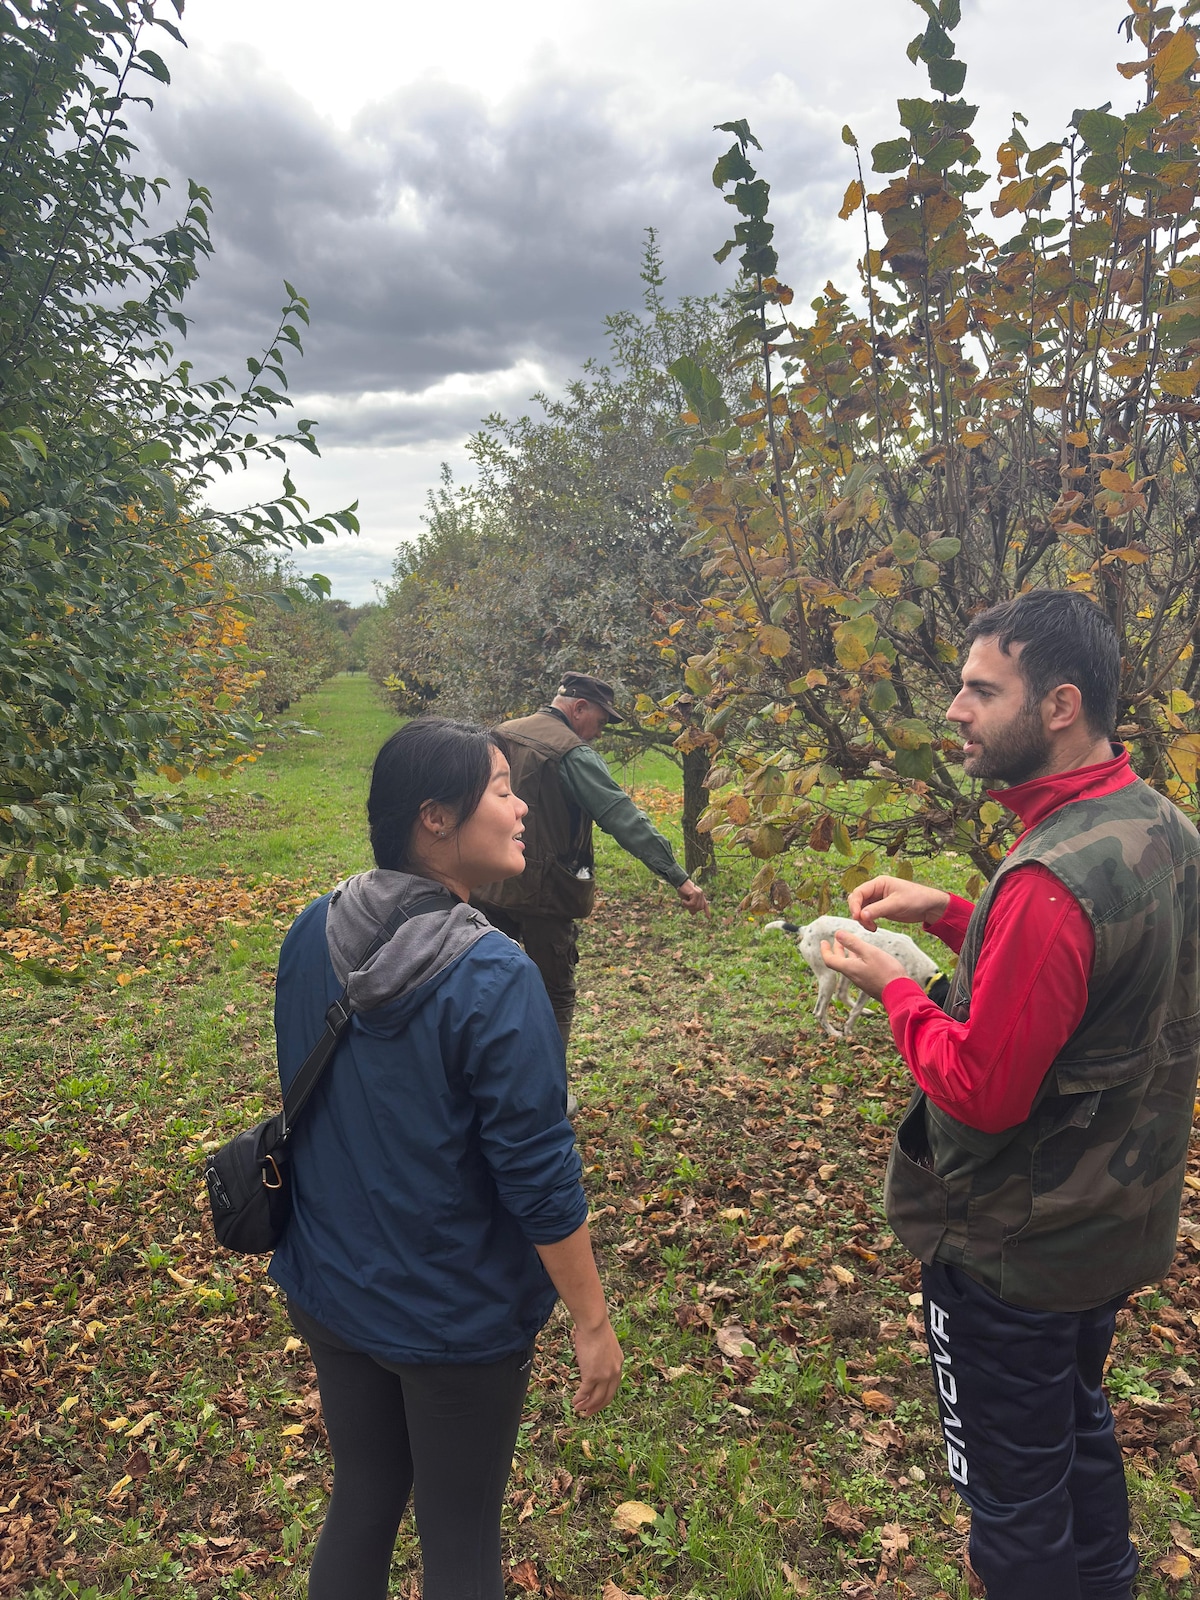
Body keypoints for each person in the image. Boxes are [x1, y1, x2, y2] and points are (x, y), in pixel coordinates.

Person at [821, 590, 1200, 1600]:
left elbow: (984, 1090)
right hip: (1108, 1225)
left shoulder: (1047, 880)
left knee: (1013, 1510)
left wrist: (891, 986)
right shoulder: (1154, 823)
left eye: (982, 688)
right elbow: (1088, 985)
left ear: (1061, 704)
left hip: (1013, 1250)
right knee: (1074, 1430)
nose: (954, 708)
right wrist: (949, 911)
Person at [268, 718, 623, 1600]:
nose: (522, 806)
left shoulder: (311, 932)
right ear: (435, 817)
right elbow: (540, 1178)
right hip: (454, 1319)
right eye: (501, 789)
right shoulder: (493, 976)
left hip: (333, 1287)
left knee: (362, 1496)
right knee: (461, 1535)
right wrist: (591, 1318)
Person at [475, 671, 710, 1045]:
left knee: (485, 987)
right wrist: (679, 877)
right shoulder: (571, 752)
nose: (599, 732)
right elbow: (623, 816)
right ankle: (549, 1093)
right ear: (579, 707)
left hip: (486, 884)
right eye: (600, 721)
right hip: (544, 895)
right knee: (555, 996)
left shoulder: (500, 733)